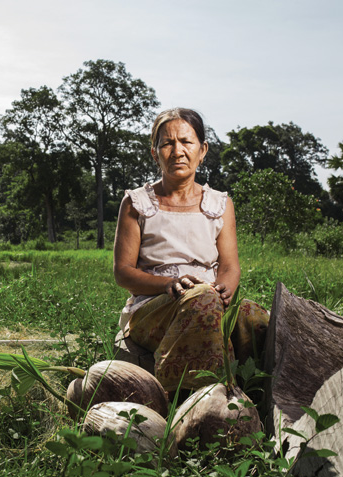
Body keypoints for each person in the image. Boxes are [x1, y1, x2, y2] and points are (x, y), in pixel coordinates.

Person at [113, 108, 269, 392]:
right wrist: (168, 285)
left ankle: (261, 398)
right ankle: (190, 401)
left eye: (186, 142)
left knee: (252, 316)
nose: (177, 151)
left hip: (210, 300)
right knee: (202, 301)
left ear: (203, 149)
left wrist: (223, 290)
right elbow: (123, 273)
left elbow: (230, 266)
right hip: (153, 308)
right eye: (167, 143)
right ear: (154, 152)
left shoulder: (220, 204)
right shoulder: (136, 203)